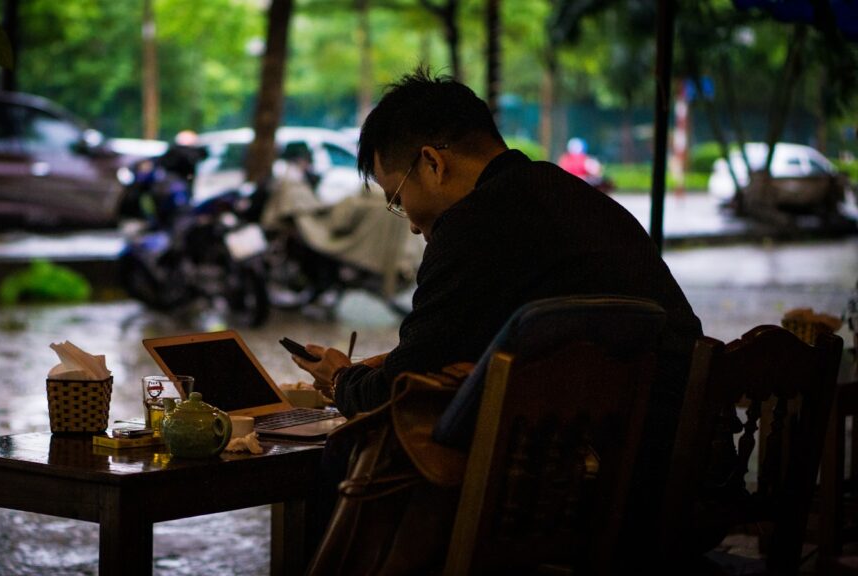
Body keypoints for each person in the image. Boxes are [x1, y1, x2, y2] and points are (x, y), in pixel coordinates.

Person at [290, 66, 703, 562]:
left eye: (397, 200)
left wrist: (342, 381)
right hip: (673, 468)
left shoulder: (473, 227)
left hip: (575, 491)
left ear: (432, 164)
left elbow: (399, 391)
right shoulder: (574, 198)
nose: (414, 226)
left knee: (349, 453)